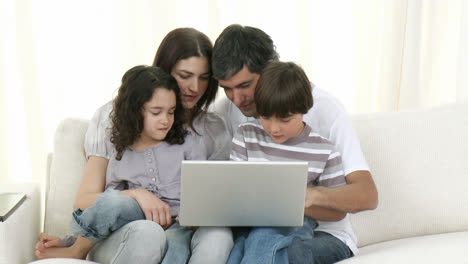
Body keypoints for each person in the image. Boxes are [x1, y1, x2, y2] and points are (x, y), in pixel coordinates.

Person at [36, 28, 233, 264]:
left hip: (180, 225)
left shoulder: (206, 132)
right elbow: (89, 201)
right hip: (128, 230)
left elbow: (212, 193)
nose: (195, 88)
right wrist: (137, 195)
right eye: (184, 75)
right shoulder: (116, 123)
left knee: (215, 236)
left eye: (204, 78)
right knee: (144, 229)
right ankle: (76, 247)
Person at [211, 24, 378, 263]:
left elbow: (367, 195)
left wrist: (305, 196)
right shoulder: (231, 113)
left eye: (245, 85)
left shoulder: (325, 109)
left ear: (270, 68)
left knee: (279, 250)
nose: (237, 99)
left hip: (322, 233)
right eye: (227, 89)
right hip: (260, 226)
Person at [229, 61, 353, 263]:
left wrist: (292, 204)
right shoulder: (246, 135)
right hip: (250, 222)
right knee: (235, 250)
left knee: (265, 236)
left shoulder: (323, 151)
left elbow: (338, 214)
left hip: (298, 223)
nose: (274, 128)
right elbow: (235, 191)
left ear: (304, 109)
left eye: (285, 120)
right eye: (266, 117)